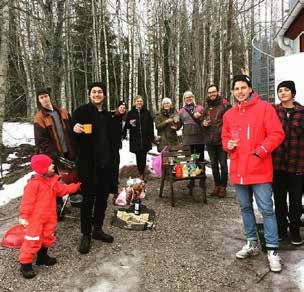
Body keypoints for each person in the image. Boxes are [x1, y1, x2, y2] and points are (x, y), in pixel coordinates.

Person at [222, 75, 285, 272]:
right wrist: (228, 145)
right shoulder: (229, 115)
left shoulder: (265, 108)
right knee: (245, 208)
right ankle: (251, 242)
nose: (240, 91)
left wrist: (261, 150)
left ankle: (273, 250)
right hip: (239, 170)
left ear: (250, 89)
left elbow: (277, 134)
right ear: (233, 92)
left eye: (243, 88)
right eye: (236, 88)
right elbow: (225, 138)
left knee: (266, 210)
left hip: (259, 169)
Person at [19, 154, 80, 279]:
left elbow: (63, 190)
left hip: (49, 216)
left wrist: (76, 186)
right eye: (50, 165)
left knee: (48, 236)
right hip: (34, 219)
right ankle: (25, 264)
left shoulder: (52, 182)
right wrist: (24, 216)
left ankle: (42, 256)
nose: (53, 166)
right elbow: (27, 202)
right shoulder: (33, 185)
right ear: (42, 169)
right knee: (32, 240)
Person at [72, 82, 114, 254]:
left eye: (100, 92)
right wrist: (74, 128)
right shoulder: (81, 111)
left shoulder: (107, 115)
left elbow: (114, 141)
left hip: (106, 164)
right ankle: (86, 234)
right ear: (89, 94)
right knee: (88, 199)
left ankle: (97, 229)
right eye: (94, 92)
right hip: (88, 165)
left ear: (104, 96)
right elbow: (72, 129)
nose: (97, 94)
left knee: (103, 199)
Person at [34, 87, 81, 217]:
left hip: (69, 151)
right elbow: (41, 141)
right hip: (52, 156)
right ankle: (57, 206)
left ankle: (75, 198)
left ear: (49, 97)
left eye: (46, 96)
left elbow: (72, 130)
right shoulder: (39, 118)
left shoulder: (63, 112)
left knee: (72, 175)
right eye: (41, 97)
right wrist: (54, 155)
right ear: (39, 100)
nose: (44, 99)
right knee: (54, 180)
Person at [272, 80, 304, 245]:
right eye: (280, 90)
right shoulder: (273, 111)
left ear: (293, 92)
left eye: (286, 90)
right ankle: (281, 230)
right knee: (279, 200)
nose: (282, 93)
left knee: (296, 201)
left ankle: (295, 230)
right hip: (277, 164)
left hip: (297, 164)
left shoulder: (302, 112)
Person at [202, 84, 230, 197]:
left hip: (221, 140)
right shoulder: (207, 106)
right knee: (213, 165)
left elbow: (231, 120)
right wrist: (203, 122)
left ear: (217, 92)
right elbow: (203, 119)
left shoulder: (225, 105)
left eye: (213, 92)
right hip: (210, 141)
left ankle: (223, 187)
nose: (212, 94)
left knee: (223, 165)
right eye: (210, 92)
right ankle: (217, 185)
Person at [123, 95, 154, 180]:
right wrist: (130, 124)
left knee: (143, 156)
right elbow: (127, 126)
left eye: (140, 101)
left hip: (145, 138)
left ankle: (142, 173)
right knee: (138, 156)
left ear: (142, 103)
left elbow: (151, 126)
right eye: (137, 101)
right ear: (135, 103)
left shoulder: (146, 112)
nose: (139, 103)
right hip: (135, 139)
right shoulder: (131, 113)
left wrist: (151, 137)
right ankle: (140, 172)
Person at [178, 91, 205, 187]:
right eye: (186, 97)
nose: (188, 98)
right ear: (184, 99)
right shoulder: (181, 111)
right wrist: (173, 123)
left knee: (199, 158)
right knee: (190, 159)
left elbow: (204, 121)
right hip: (187, 138)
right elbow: (178, 124)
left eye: (190, 97)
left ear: (193, 97)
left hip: (199, 137)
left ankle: (202, 178)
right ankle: (192, 179)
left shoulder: (200, 108)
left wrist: (201, 117)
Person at [110, 100, 127, 195]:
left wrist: (123, 136)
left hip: (116, 144)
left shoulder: (124, 118)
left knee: (116, 162)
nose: (122, 109)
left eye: (124, 108)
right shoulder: (112, 115)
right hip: (109, 144)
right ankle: (110, 181)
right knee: (111, 162)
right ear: (117, 107)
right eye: (121, 107)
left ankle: (114, 180)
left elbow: (124, 130)